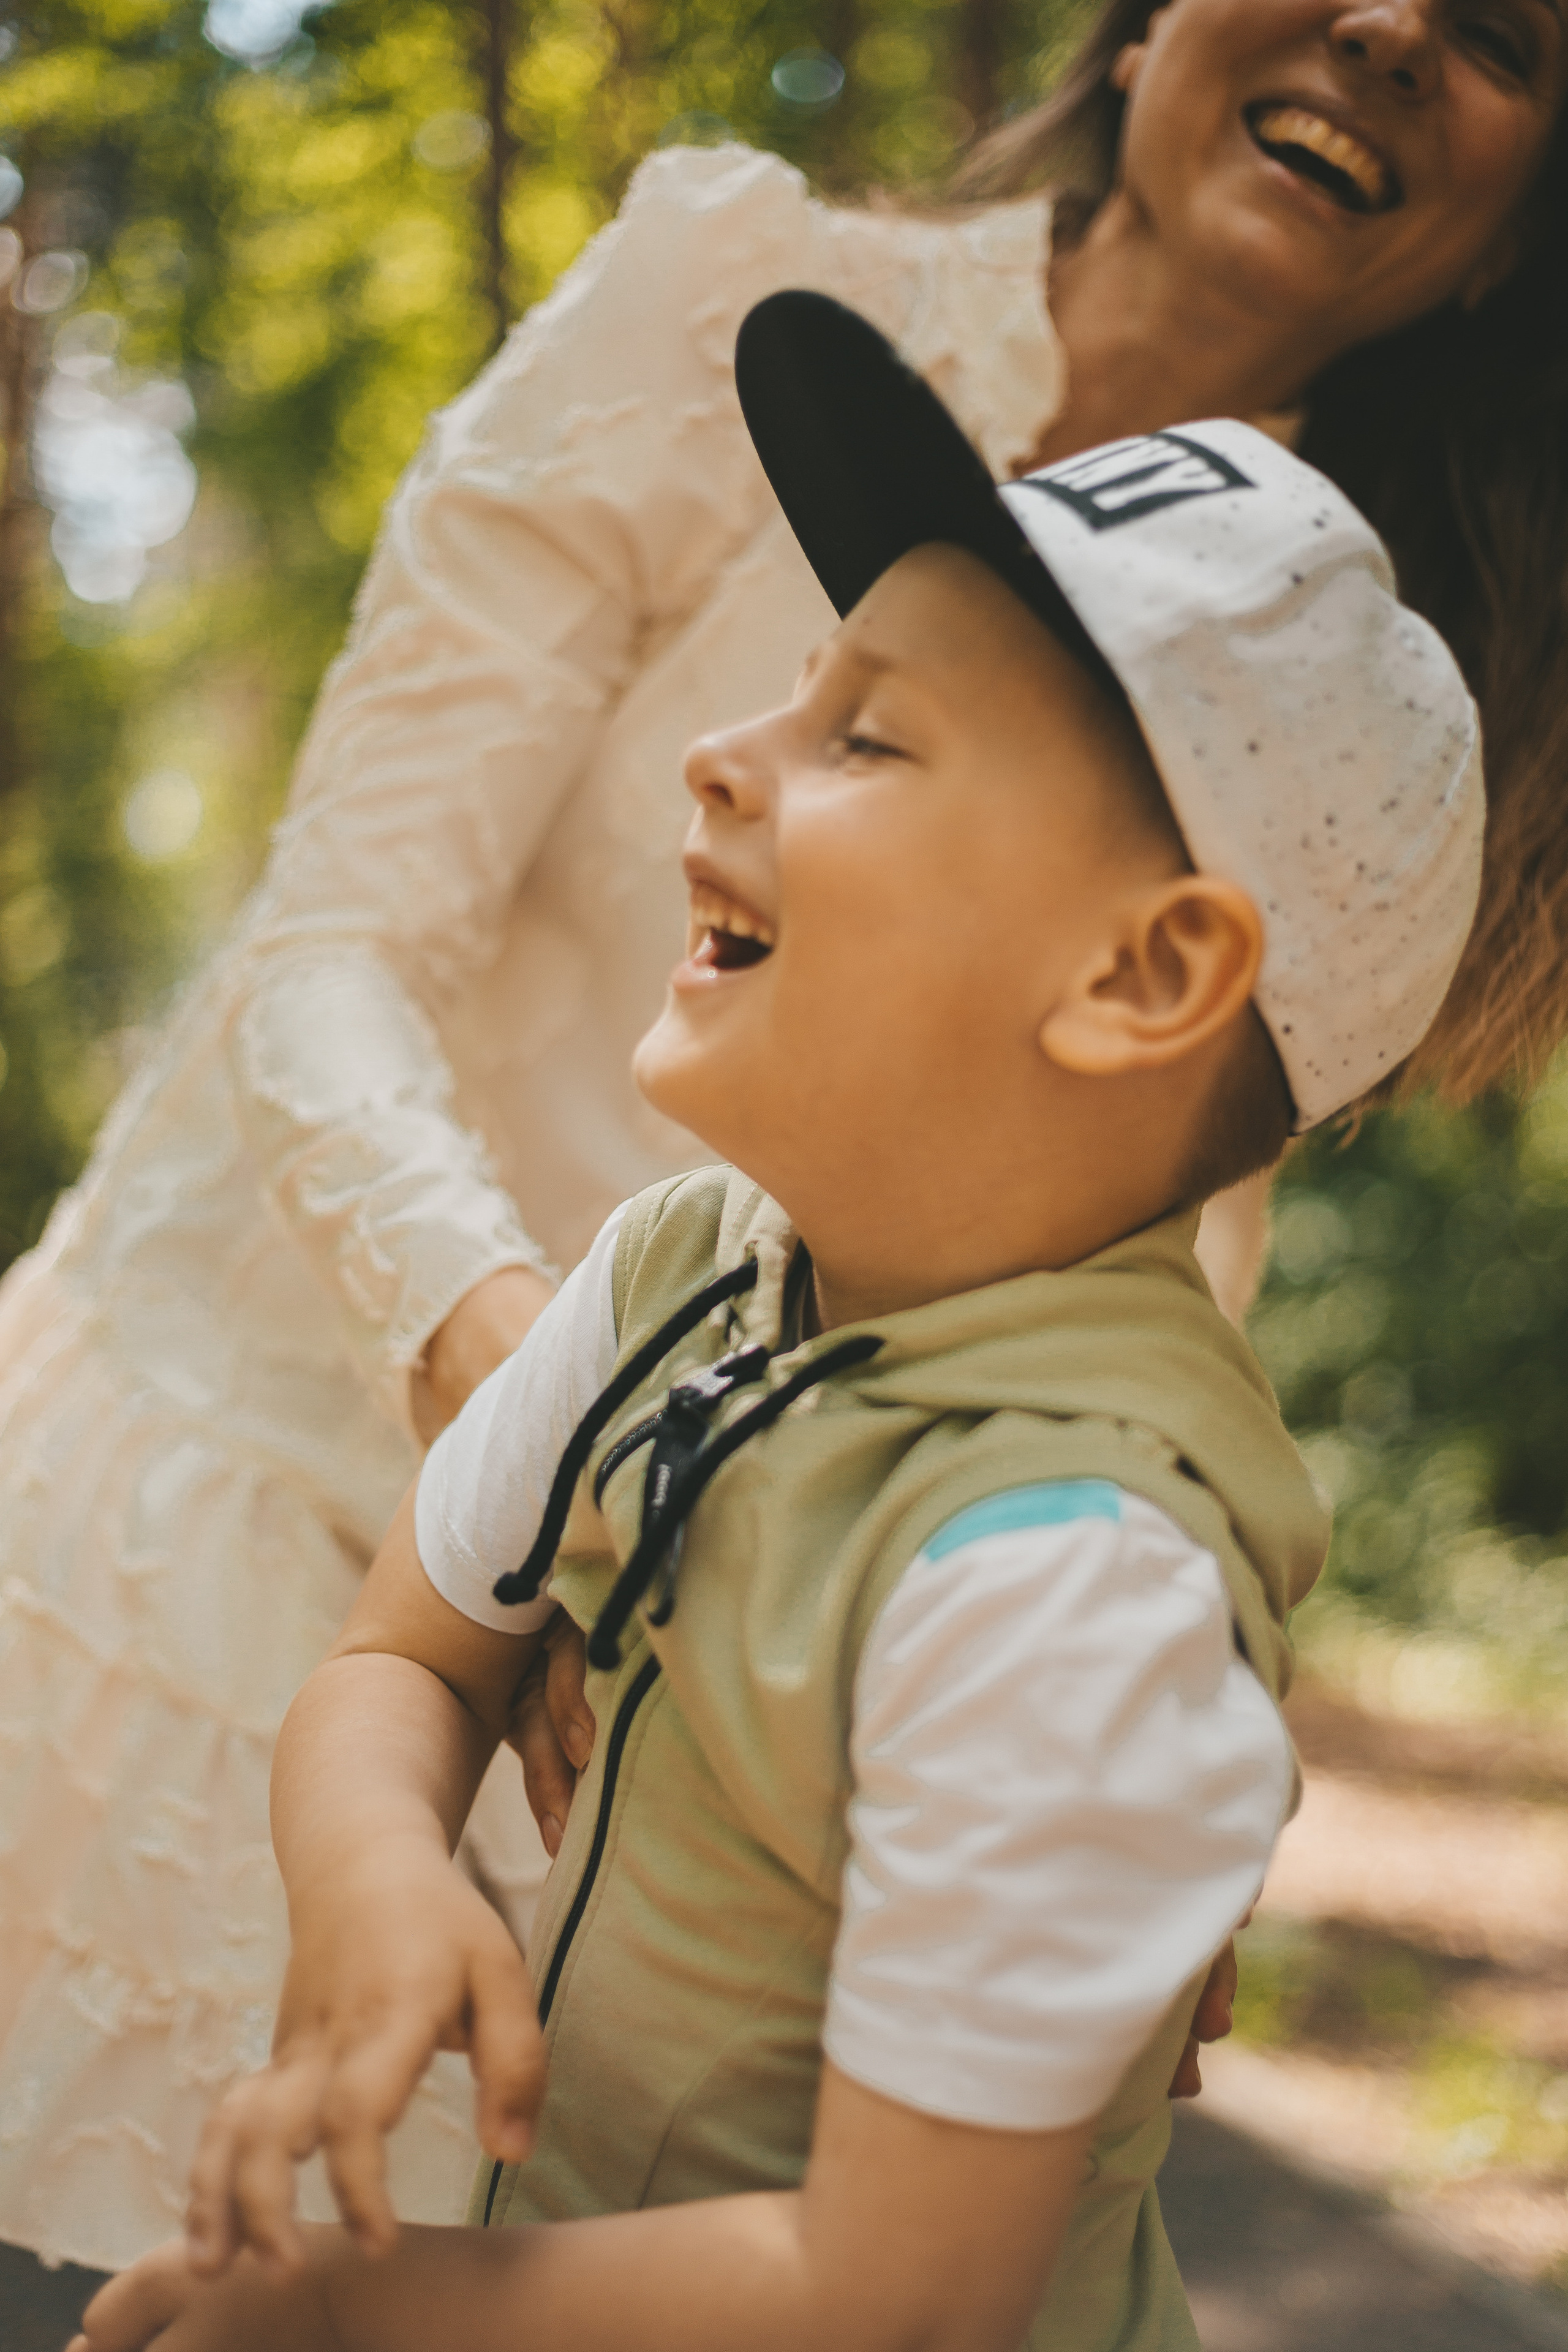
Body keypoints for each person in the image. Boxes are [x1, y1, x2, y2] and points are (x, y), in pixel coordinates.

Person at [4, 0, 1565, 2271]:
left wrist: (1166, 1725)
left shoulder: (1347, 689)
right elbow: (326, 944)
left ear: (1528, 227)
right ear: (1135, 39)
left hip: (743, 1631)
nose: (1396, 25)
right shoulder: (728, 290)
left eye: (1512, 30)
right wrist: (576, 1434)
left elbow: (1156, 1217)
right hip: (236, 1502)